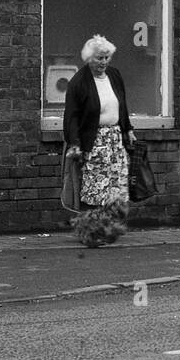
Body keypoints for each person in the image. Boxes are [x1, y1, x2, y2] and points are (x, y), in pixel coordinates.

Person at [63, 35, 136, 247]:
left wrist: (128, 128)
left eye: (106, 58)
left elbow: (122, 105)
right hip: (94, 141)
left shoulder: (114, 75)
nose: (103, 62)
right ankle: (90, 233)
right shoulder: (79, 81)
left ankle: (109, 229)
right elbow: (72, 115)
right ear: (88, 59)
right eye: (98, 58)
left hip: (115, 140)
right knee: (95, 189)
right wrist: (74, 143)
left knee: (116, 187)